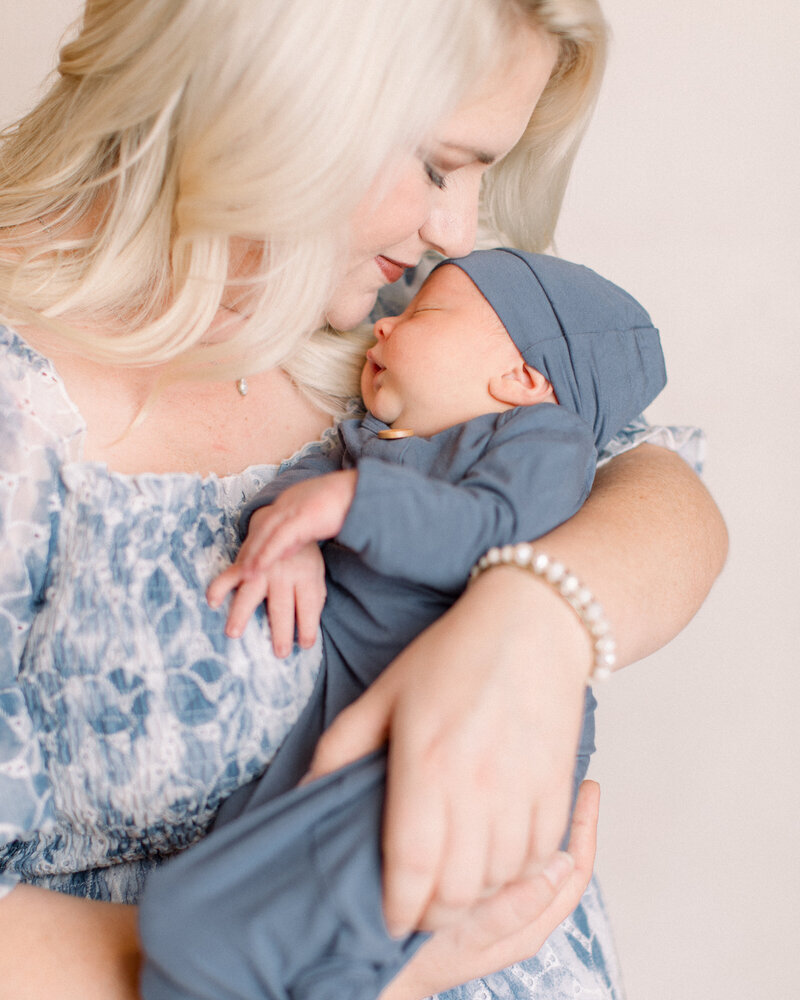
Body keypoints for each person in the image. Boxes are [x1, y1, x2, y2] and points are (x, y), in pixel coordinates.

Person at [0, 2, 727, 999]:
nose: (458, 229)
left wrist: (536, 618)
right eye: (436, 165)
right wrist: (336, 962)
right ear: (281, 95)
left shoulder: (390, 321)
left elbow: (663, 493)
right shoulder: (22, 406)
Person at [135, 248, 668, 999]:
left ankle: (296, 970)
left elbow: (491, 527)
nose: (384, 327)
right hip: (341, 710)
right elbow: (306, 482)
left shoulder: (540, 442)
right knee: (226, 876)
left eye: (421, 316)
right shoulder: (370, 443)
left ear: (522, 379)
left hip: (460, 736)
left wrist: (349, 507)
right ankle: (230, 954)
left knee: (360, 882)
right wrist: (288, 536)